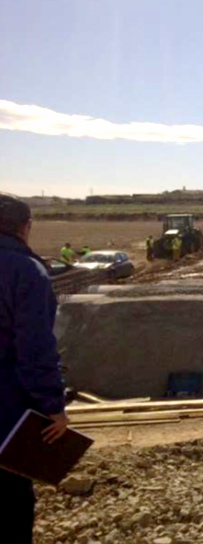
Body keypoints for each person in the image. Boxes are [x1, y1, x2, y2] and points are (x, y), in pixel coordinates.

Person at [0, 195, 68, 543]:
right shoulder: (25, 271)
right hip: (5, 416)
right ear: (25, 228)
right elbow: (35, 349)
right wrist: (52, 407)